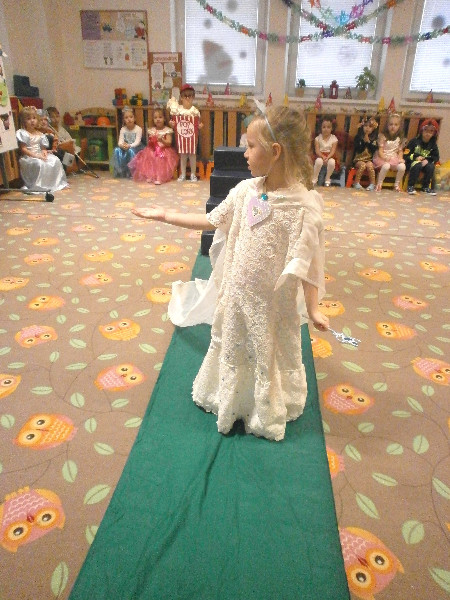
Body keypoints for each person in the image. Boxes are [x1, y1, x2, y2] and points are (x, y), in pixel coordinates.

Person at [131, 105, 329, 442]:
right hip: (237, 296)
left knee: (266, 351)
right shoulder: (245, 191)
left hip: (271, 304)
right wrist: (165, 215)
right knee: (235, 346)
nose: (245, 154)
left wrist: (313, 308)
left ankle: (263, 407)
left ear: (276, 151)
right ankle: (233, 401)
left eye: (250, 146)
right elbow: (212, 220)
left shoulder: (304, 207)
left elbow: (309, 261)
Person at [16, 106, 68, 192]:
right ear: (24, 121)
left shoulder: (39, 134)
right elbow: (23, 149)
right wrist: (36, 156)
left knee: (55, 160)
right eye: (28, 119)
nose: (32, 121)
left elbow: (43, 148)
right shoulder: (23, 133)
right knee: (39, 163)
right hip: (29, 157)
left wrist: (44, 152)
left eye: (34, 118)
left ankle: (54, 184)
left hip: (39, 154)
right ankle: (39, 185)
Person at [128, 107, 178, 184]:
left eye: (160, 117)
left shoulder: (167, 130)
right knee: (149, 156)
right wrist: (151, 141)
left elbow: (169, 142)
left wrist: (162, 140)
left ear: (164, 119)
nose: (158, 119)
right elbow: (150, 142)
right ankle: (151, 175)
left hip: (163, 149)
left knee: (160, 158)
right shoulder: (152, 130)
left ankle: (160, 177)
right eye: (155, 118)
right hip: (153, 149)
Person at [167, 84, 203, 182]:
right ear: (181, 97)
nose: (187, 98)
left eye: (189, 96)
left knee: (192, 155)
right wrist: (171, 124)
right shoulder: (178, 110)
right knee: (183, 155)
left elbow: (198, 123)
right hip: (181, 138)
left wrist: (200, 126)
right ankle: (182, 174)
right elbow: (174, 124)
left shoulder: (195, 111)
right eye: (185, 96)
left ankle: (193, 174)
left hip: (192, 138)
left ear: (193, 97)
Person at [405, 118, 440, 196]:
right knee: (417, 165)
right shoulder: (414, 141)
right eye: (426, 130)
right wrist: (415, 158)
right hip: (412, 162)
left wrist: (427, 160)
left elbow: (436, 157)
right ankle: (410, 186)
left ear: (434, 133)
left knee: (431, 167)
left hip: (425, 163)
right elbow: (406, 154)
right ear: (421, 130)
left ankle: (425, 187)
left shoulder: (433, 144)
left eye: (431, 131)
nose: (428, 133)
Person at [373, 113, 406, 192]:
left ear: (399, 126)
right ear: (387, 125)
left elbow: (400, 151)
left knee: (402, 167)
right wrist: (384, 157)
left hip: (394, 158)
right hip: (383, 157)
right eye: (391, 124)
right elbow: (380, 150)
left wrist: (400, 158)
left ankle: (396, 185)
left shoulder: (399, 138)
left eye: (396, 125)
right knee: (386, 166)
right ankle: (379, 184)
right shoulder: (383, 136)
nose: (393, 127)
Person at [111, 107, 145, 178]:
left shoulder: (138, 129)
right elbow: (120, 141)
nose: (129, 119)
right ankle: (120, 171)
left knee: (130, 151)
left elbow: (137, 142)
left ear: (134, 118)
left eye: (131, 117)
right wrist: (122, 145)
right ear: (124, 120)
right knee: (117, 150)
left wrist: (129, 145)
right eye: (126, 118)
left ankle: (132, 172)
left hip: (136, 147)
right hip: (125, 146)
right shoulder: (123, 129)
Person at [47, 106, 81, 170]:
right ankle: (69, 168)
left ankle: (76, 166)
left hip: (67, 147)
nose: (56, 119)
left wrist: (70, 143)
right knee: (67, 150)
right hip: (59, 148)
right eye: (52, 117)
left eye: (57, 116)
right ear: (48, 119)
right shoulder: (48, 129)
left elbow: (69, 138)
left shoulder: (61, 129)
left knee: (76, 149)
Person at [351, 116, 378, 191]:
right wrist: (364, 141)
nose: (367, 128)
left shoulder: (374, 139)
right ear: (362, 126)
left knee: (370, 166)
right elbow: (358, 150)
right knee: (363, 165)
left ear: (373, 129)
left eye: (370, 126)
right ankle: (356, 183)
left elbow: (374, 150)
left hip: (369, 160)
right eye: (365, 126)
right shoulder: (358, 137)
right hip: (358, 159)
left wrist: (368, 142)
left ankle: (372, 184)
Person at [312, 116, 338, 187]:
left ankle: (327, 178)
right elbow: (317, 150)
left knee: (332, 162)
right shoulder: (317, 138)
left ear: (332, 128)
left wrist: (328, 157)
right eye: (324, 127)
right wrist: (322, 156)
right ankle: (314, 179)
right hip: (320, 155)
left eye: (328, 127)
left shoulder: (334, 139)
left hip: (330, 156)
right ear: (320, 128)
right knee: (318, 161)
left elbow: (333, 150)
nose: (326, 129)